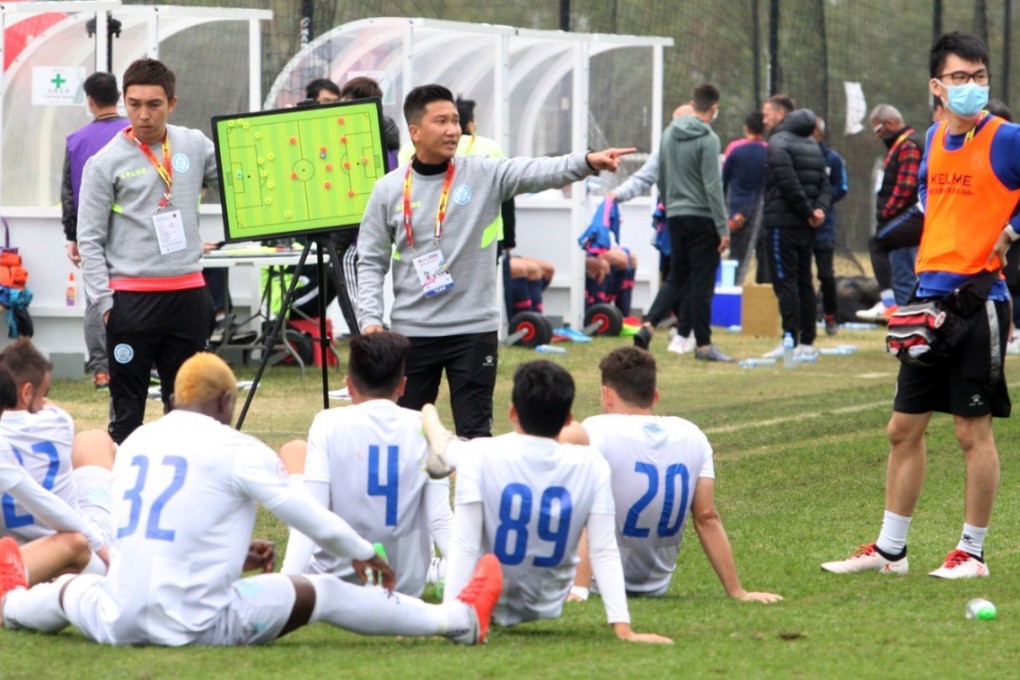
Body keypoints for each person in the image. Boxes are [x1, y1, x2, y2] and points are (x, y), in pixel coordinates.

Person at [0, 352, 502, 646]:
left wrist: (234, 555)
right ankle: (455, 621)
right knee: (322, 593)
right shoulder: (236, 447)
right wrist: (361, 549)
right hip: (200, 622)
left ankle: (14, 602)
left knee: (67, 594)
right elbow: (307, 513)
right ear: (225, 402)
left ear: (175, 398)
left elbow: (155, 530)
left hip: (119, 613)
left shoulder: (135, 444)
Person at [822, 31, 1020, 579]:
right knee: (902, 428)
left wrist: (1009, 233)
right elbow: (936, 204)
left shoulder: (1007, 139)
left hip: (980, 301)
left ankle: (972, 553)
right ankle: (891, 550)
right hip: (927, 300)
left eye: (980, 76)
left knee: (969, 430)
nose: (972, 86)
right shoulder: (932, 138)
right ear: (937, 85)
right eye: (961, 78)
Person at [357, 84, 633, 438]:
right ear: (415, 131)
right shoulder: (388, 189)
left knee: (475, 434)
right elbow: (370, 260)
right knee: (405, 436)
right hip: (412, 332)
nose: (453, 130)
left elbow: (538, 170)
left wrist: (587, 162)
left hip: (473, 330)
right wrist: (370, 320)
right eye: (441, 121)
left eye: (455, 120)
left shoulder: (483, 173)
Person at [419, 361, 671, 644]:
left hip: (492, 592)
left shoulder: (480, 456)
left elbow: (464, 546)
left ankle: (445, 446)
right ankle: (446, 447)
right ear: (568, 420)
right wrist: (623, 628)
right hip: (550, 598)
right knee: (470, 454)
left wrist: (453, 619)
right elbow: (603, 550)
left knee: (463, 453)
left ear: (513, 413)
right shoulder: (592, 465)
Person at [560, 347, 782, 603]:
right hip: (654, 585)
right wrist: (738, 591)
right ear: (654, 396)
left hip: (600, 582)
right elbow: (707, 517)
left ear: (606, 394)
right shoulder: (691, 434)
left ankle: (577, 587)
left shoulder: (596, 430)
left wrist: (579, 588)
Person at [77, 58, 217, 445]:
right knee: (126, 414)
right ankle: (122, 501)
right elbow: (88, 238)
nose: (143, 114)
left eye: (153, 104)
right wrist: (104, 303)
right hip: (131, 305)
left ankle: (188, 496)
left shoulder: (193, 144)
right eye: (134, 103)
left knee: (189, 413)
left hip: (187, 298)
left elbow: (242, 180)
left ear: (172, 103)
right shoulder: (104, 162)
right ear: (123, 101)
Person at [279, 331, 453, 597]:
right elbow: (440, 519)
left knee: (293, 452)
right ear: (403, 386)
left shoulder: (328, 423)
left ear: (349, 385)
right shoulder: (424, 426)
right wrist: (468, 573)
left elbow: (312, 515)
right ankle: (437, 569)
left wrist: (286, 583)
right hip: (405, 580)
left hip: (336, 577)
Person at [632, 84, 734, 362]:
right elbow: (713, 186)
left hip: (675, 214)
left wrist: (672, 204)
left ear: (693, 102)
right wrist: (722, 227)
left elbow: (662, 177)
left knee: (677, 275)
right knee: (701, 283)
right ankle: (703, 346)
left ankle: (649, 324)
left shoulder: (668, 134)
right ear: (714, 107)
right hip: (702, 217)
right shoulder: (709, 138)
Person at [0, 339, 115, 551]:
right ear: (26, 393)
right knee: (93, 440)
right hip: (75, 546)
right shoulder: (58, 421)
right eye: (44, 394)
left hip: (20, 551)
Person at [608, 103, 694, 353]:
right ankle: (677, 329)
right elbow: (644, 176)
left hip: (682, 220)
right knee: (676, 274)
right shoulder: (668, 148)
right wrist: (617, 195)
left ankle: (670, 327)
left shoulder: (704, 145)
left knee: (683, 276)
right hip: (675, 221)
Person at [61, 72, 127, 391]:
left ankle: (102, 370)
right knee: (138, 296)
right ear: (118, 95)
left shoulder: (75, 141)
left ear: (89, 101)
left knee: (95, 299)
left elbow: (68, 194)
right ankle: (141, 360)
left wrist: (71, 236)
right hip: (131, 232)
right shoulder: (134, 132)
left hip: (93, 234)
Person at [759, 94, 831, 358]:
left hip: (782, 225)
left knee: (785, 281)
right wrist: (818, 211)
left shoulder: (778, 143)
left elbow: (787, 183)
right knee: (804, 281)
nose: (763, 119)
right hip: (806, 226)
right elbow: (826, 185)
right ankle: (808, 340)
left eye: (767, 113)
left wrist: (807, 211)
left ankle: (790, 337)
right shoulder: (813, 144)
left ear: (780, 115)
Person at [857, 104, 924, 321]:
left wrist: (886, 213)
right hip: (901, 217)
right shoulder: (901, 145)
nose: (878, 135)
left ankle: (895, 308)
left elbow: (906, 187)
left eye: (878, 130)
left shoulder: (908, 146)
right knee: (899, 269)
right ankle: (896, 310)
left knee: (885, 252)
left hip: (907, 216)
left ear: (890, 124)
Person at [722, 111, 768, 286]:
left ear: (746, 127)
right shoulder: (769, 150)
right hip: (762, 210)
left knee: (737, 254)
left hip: (738, 212)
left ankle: (734, 289)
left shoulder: (735, 149)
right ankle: (763, 293)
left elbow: (723, 180)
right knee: (763, 255)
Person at [811, 117, 848, 336]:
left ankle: (830, 316)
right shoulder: (795, 155)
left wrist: (821, 205)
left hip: (824, 227)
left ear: (821, 134)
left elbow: (841, 187)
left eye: (813, 131)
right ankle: (799, 320)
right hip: (802, 226)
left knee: (826, 274)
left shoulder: (832, 159)